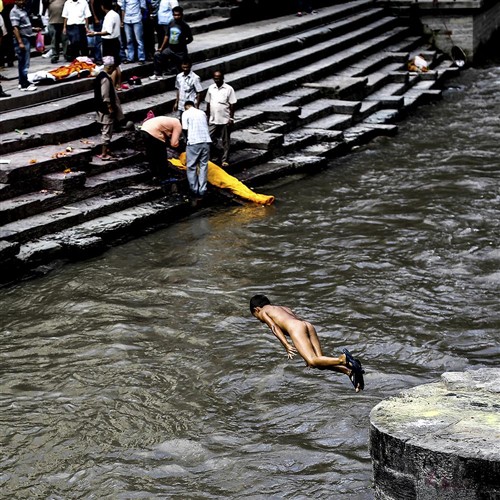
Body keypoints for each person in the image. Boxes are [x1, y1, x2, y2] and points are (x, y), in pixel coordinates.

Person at [249, 294, 365, 392]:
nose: (259, 320)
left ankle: (343, 359)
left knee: (312, 360)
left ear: (256, 310)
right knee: (318, 362)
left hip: (296, 327)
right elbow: (296, 321)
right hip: (307, 325)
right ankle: (349, 370)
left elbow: (274, 327)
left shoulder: (264, 311)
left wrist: (286, 345)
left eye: (256, 317)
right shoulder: (281, 308)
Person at [94, 55, 124, 160]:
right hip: (105, 109)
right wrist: (109, 107)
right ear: (110, 67)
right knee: (106, 131)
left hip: (100, 108)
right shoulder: (105, 79)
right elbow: (105, 95)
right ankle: (104, 154)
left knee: (106, 130)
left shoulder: (100, 76)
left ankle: (107, 151)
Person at [205, 69, 237, 167]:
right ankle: (214, 155)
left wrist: (231, 118)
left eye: (219, 78)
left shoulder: (229, 89)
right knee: (208, 138)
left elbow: (232, 104)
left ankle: (224, 159)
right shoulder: (211, 88)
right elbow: (208, 102)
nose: (217, 80)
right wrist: (207, 115)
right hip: (213, 118)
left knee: (225, 141)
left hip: (225, 118)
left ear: (222, 78)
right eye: (215, 78)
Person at [88, 0, 122, 89]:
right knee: (116, 65)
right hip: (115, 41)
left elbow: (108, 32)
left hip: (109, 42)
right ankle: (118, 85)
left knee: (110, 67)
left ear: (103, 7)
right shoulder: (116, 14)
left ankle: (113, 86)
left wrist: (95, 33)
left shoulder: (109, 16)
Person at [150, 5, 191, 79]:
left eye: (178, 15)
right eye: (175, 15)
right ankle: (158, 74)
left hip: (180, 52)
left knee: (182, 70)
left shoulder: (185, 26)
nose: (176, 17)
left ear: (181, 15)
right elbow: (167, 36)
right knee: (157, 55)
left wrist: (183, 43)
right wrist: (161, 48)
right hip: (170, 49)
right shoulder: (171, 23)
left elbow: (190, 38)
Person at [182, 100, 211, 201]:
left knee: (191, 166)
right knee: (203, 165)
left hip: (194, 142)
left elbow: (185, 129)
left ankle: (194, 189)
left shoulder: (185, 113)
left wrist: (186, 140)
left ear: (186, 106)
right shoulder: (202, 113)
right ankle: (203, 189)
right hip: (206, 141)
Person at [10, 0, 40, 91]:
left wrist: (33, 29)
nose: (22, 2)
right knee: (24, 62)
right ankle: (24, 84)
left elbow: (24, 24)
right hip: (22, 39)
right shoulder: (14, 11)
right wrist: (20, 42)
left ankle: (22, 81)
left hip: (27, 38)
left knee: (23, 62)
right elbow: (15, 28)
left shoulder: (23, 10)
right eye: (20, 0)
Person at [140, 115, 182, 180]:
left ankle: (154, 175)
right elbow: (173, 143)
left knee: (151, 154)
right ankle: (164, 176)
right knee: (162, 155)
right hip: (153, 131)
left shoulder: (170, 120)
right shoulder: (178, 124)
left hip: (144, 129)